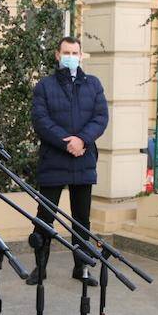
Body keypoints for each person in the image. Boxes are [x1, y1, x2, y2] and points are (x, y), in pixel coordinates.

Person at [28, 36, 108, 286]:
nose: (70, 56)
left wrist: (82, 140)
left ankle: (81, 267)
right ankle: (40, 268)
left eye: (75, 52)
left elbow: (100, 117)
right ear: (57, 54)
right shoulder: (45, 86)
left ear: (81, 55)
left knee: (81, 219)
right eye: (66, 52)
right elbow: (41, 121)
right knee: (45, 216)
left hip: (83, 160)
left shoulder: (93, 85)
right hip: (54, 159)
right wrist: (67, 143)